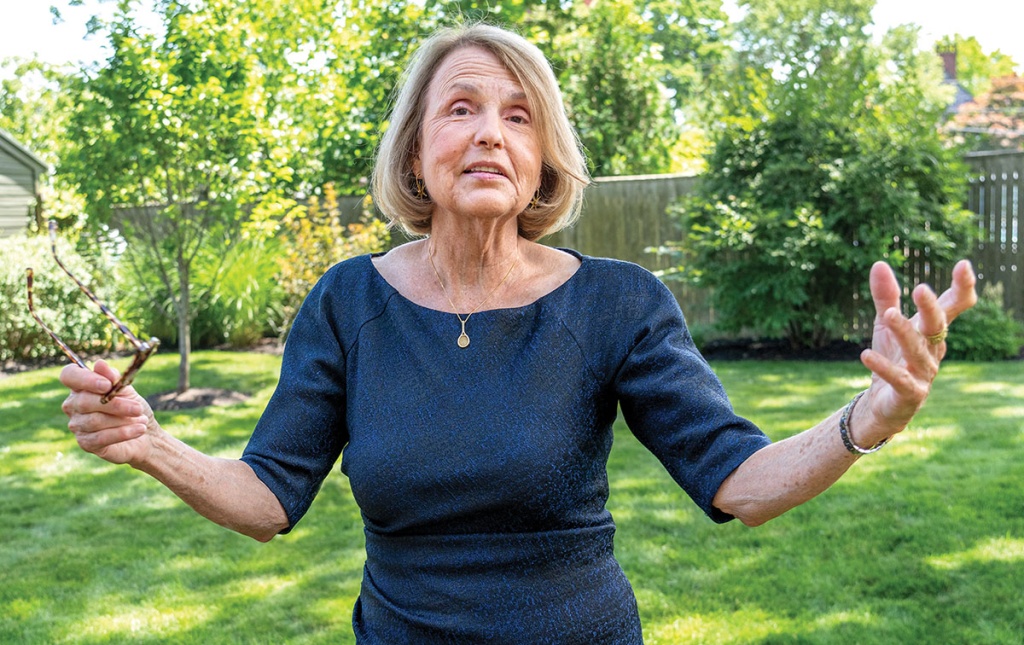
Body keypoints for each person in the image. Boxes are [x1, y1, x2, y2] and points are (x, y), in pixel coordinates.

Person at [57, 23, 978, 644]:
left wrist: (869, 417)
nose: (490, 133)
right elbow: (268, 498)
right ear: (416, 148)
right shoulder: (347, 303)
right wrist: (150, 443)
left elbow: (742, 483)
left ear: (542, 161)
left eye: (518, 114)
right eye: (461, 108)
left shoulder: (618, 302)